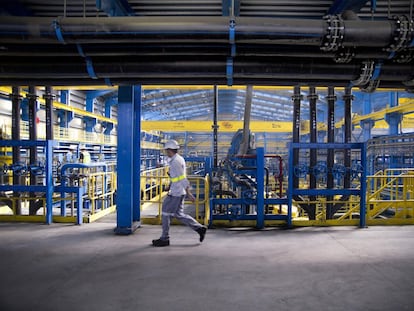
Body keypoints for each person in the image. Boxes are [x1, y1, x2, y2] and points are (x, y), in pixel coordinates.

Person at [152, 140, 207, 247]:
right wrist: (170, 185)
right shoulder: (177, 159)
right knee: (179, 215)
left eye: (166, 150)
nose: (166, 152)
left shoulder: (176, 162)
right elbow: (176, 177)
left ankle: (164, 238)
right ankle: (199, 228)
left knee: (165, 214)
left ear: (169, 150)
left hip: (176, 193)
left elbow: (182, 178)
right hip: (177, 190)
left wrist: (189, 193)